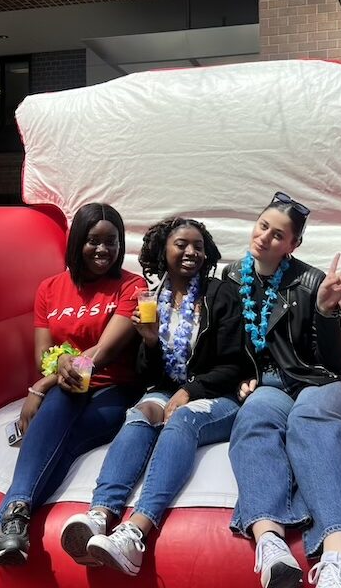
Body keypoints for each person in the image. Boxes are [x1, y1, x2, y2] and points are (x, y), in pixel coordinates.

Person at [0, 203, 145, 588]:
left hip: (112, 390)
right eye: (93, 240)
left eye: (112, 242)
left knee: (60, 424)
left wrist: (39, 388)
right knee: (61, 416)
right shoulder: (49, 288)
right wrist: (49, 378)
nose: (102, 250)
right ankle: (7, 528)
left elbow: (104, 352)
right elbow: (45, 357)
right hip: (65, 391)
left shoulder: (131, 286)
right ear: (78, 241)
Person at [223, 192, 341, 588]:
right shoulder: (232, 276)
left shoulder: (311, 280)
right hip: (272, 384)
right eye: (263, 226)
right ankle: (270, 541)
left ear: (292, 245)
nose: (265, 237)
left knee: (308, 420)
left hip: (326, 380)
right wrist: (240, 379)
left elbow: (334, 360)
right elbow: (229, 345)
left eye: (278, 234)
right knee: (252, 419)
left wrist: (326, 310)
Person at [60, 217, 246, 576]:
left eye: (198, 245)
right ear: (163, 250)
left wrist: (189, 391)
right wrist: (148, 340)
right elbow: (148, 376)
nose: (191, 252)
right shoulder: (153, 299)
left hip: (217, 395)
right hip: (164, 389)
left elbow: (234, 365)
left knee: (181, 421)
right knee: (139, 414)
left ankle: (135, 533)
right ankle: (100, 515)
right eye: (181, 244)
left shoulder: (220, 295)